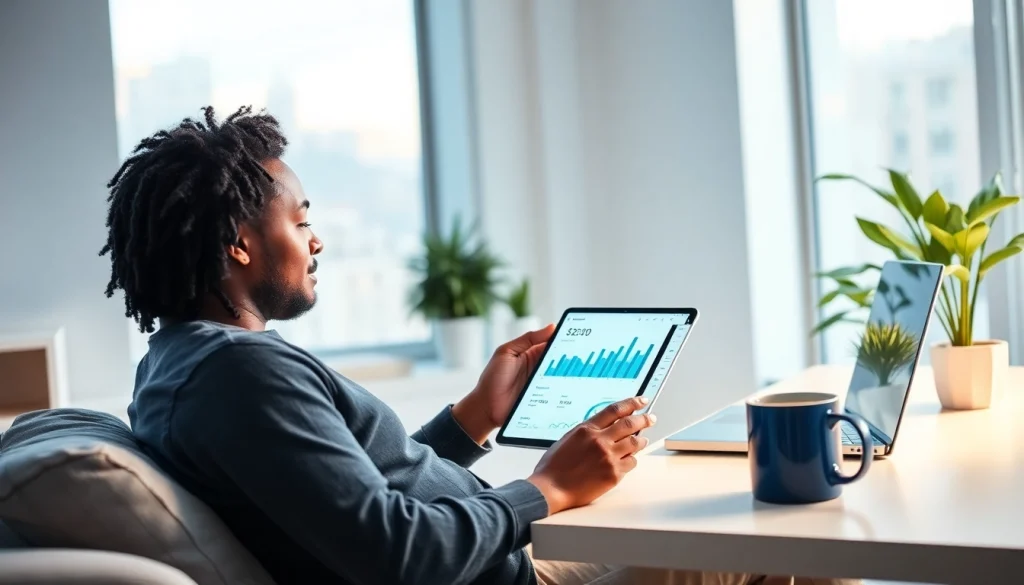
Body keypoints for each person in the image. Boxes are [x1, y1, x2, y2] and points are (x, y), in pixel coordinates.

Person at [102, 106, 859, 585]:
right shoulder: (239, 374)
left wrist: (471, 420)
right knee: (796, 539)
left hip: (502, 551)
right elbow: (394, 554)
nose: (317, 237)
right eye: (299, 221)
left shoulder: (179, 364)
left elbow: (346, 494)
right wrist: (549, 489)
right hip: (513, 572)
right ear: (238, 243)